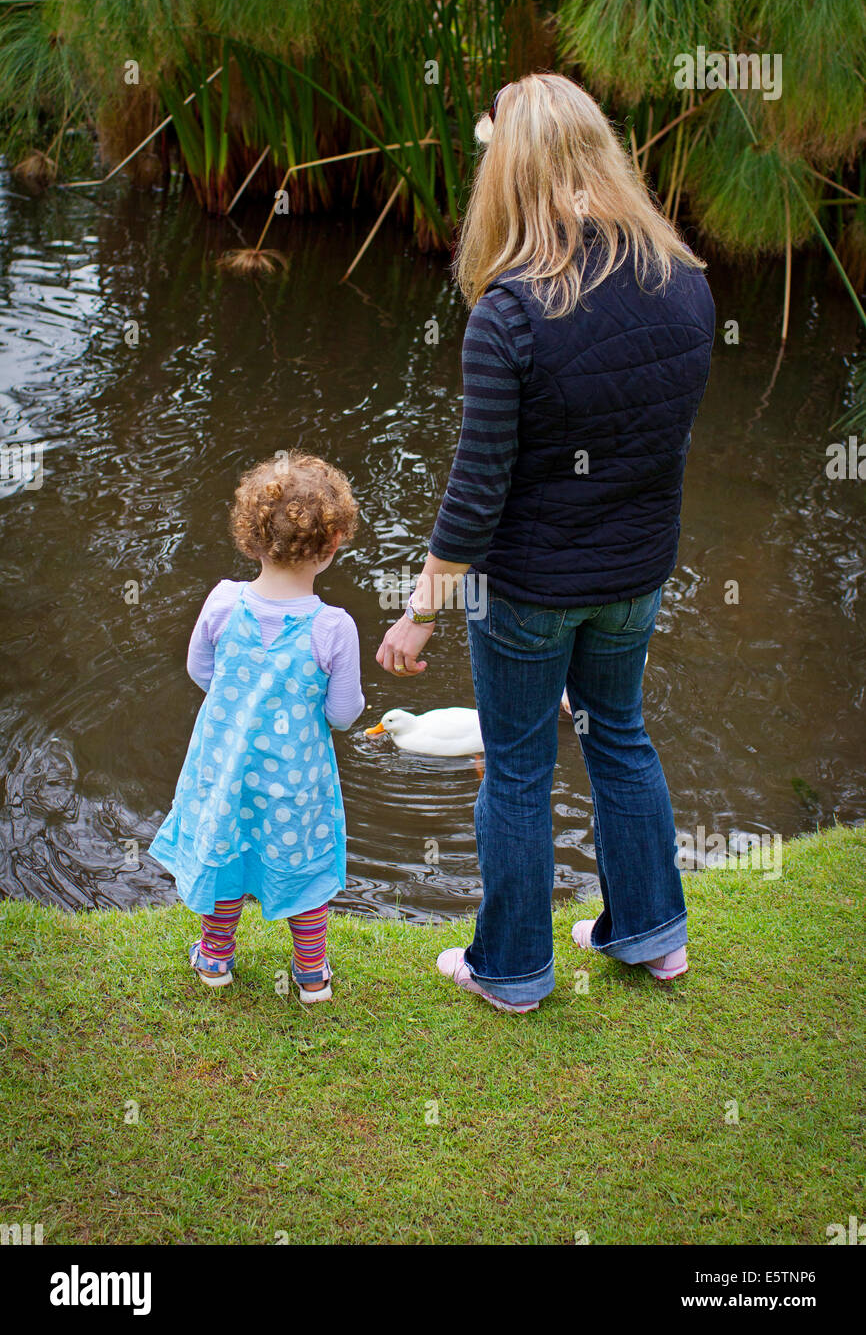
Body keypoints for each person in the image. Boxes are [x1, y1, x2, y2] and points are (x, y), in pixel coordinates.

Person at [376, 73, 715, 1014]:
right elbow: (661, 447)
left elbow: (477, 496)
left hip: (528, 589)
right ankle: (652, 936)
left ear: (509, 176)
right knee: (622, 738)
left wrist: (418, 616)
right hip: (638, 574)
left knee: (519, 766)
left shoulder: (512, 313)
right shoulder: (685, 284)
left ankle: (513, 970)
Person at [150, 451, 364, 1004]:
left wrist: (240, 702)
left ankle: (216, 958)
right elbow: (342, 714)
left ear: (251, 536)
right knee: (301, 866)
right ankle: (311, 975)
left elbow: (202, 670)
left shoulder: (223, 602)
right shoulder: (333, 627)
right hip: (296, 780)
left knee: (225, 851)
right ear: (334, 540)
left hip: (224, 765)